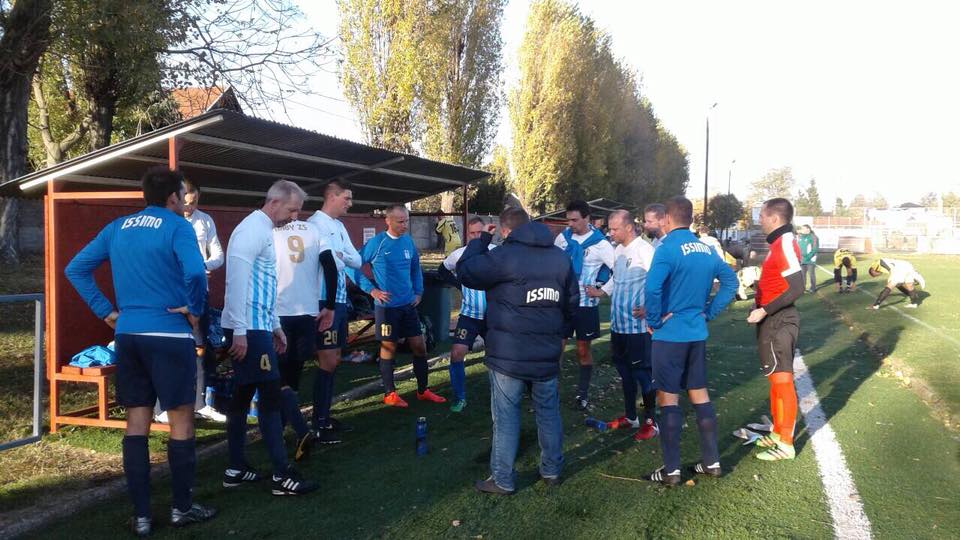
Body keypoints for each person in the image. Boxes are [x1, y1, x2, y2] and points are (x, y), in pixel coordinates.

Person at [65, 167, 216, 535]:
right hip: (169, 336)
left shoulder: (118, 227)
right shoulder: (178, 226)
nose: (185, 202)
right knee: (181, 420)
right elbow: (197, 273)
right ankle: (181, 508)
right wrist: (195, 309)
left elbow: (76, 268)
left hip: (130, 336)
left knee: (137, 421)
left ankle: (143, 517)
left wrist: (106, 311)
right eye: (182, 196)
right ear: (173, 197)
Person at [457, 207, 578, 494]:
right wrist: (559, 337)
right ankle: (551, 470)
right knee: (548, 413)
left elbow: (466, 271)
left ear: (505, 230)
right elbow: (572, 303)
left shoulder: (504, 256)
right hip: (546, 353)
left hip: (508, 356)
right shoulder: (560, 257)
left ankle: (502, 479)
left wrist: (480, 240)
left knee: (506, 417)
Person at [221, 179, 319, 496]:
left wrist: (274, 324)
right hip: (248, 327)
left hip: (258, 325)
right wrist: (240, 330)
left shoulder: (265, 231)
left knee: (242, 395)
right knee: (271, 395)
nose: (294, 217)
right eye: (291, 210)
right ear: (274, 202)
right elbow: (236, 282)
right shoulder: (251, 230)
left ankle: (235, 469)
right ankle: (281, 475)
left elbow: (264, 283)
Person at [643, 196, 738, 486]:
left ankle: (671, 470)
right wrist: (709, 312)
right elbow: (731, 282)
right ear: (691, 219)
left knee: (668, 397)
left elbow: (652, 288)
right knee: (699, 394)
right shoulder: (707, 249)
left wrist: (654, 320)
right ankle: (712, 461)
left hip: (670, 336)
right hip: (696, 334)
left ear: (667, 219)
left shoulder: (667, 248)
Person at [357, 205, 446, 407]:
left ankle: (423, 390)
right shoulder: (377, 243)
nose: (404, 225)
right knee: (389, 347)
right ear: (388, 221)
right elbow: (350, 265)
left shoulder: (408, 241)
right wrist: (371, 290)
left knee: (420, 346)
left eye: (406, 220)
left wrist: (418, 292)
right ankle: (390, 394)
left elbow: (415, 268)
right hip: (386, 308)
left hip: (408, 305)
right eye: (400, 221)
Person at [586, 210, 658, 440]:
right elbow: (616, 279)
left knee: (642, 373)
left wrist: (650, 308)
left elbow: (661, 281)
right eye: (610, 228)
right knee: (624, 372)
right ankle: (631, 417)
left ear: (628, 228)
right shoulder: (618, 250)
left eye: (615, 229)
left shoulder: (645, 250)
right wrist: (601, 292)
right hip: (619, 325)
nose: (611, 233)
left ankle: (651, 422)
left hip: (638, 328)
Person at [272, 217, 338, 459]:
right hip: (306, 312)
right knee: (292, 375)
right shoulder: (314, 229)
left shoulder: (269, 228)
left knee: (277, 377)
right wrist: (329, 305)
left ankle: (288, 430)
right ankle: (288, 430)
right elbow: (330, 266)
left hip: (278, 312)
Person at [748, 198, 804, 462]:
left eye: (761, 215)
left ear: (774, 218)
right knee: (774, 378)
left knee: (782, 379)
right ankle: (777, 432)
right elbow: (777, 282)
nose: (759, 220)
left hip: (779, 320)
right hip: (771, 319)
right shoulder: (777, 244)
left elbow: (797, 287)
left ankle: (786, 444)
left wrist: (764, 310)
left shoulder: (785, 243)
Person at [306, 180, 363, 441]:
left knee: (335, 358)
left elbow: (356, 260)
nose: (350, 203)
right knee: (327, 359)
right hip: (322, 300)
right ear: (332, 196)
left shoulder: (338, 226)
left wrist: (340, 258)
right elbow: (330, 263)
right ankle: (318, 422)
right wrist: (339, 259)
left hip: (339, 300)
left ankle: (324, 417)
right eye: (346, 198)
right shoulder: (314, 225)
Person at [554, 200, 615, 410]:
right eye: (568, 220)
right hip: (562, 303)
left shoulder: (601, 244)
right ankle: (551, 391)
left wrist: (602, 291)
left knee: (582, 350)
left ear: (587, 218)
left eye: (575, 220)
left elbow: (619, 270)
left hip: (585, 305)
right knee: (556, 348)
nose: (570, 224)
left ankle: (582, 394)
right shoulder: (562, 239)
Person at [437, 216, 493, 413]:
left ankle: (506, 392)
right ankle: (459, 398)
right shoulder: (459, 254)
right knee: (456, 353)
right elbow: (442, 270)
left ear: (487, 232)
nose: (476, 236)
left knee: (499, 355)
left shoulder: (495, 252)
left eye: (480, 232)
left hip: (493, 316)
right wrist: (459, 285)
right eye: (473, 233)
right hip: (469, 315)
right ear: (468, 234)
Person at [182, 179, 226, 423]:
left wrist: (205, 265)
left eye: (194, 202)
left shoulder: (205, 220)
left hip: (199, 293)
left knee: (201, 347)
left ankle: (200, 403)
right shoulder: (171, 221)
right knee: (176, 348)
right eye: (187, 202)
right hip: (175, 295)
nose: (190, 207)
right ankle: (168, 404)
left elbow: (218, 254)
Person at [797, 225, 819, 293]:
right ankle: (803, 288)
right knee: (802, 275)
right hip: (802, 260)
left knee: (811, 274)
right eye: (802, 229)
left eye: (803, 228)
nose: (802, 230)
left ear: (808, 229)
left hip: (810, 259)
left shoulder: (813, 237)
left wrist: (808, 257)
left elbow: (815, 249)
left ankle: (813, 288)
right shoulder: (800, 237)